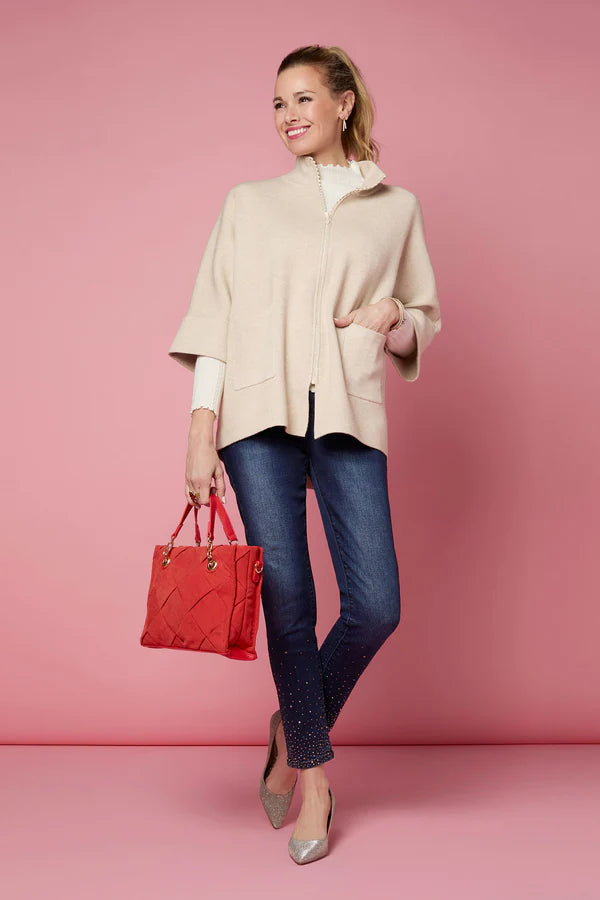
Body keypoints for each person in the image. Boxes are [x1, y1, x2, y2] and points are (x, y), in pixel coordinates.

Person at [167, 44, 442, 864]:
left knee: (377, 604)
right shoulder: (250, 204)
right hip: (259, 415)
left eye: (303, 99)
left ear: (344, 103)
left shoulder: (396, 209)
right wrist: (201, 427)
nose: (288, 116)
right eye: (278, 103)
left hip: (349, 410)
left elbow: (420, 318)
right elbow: (216, 315)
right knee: (287, 600)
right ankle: (315, 779)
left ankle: (292, 729)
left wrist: (392, 316)